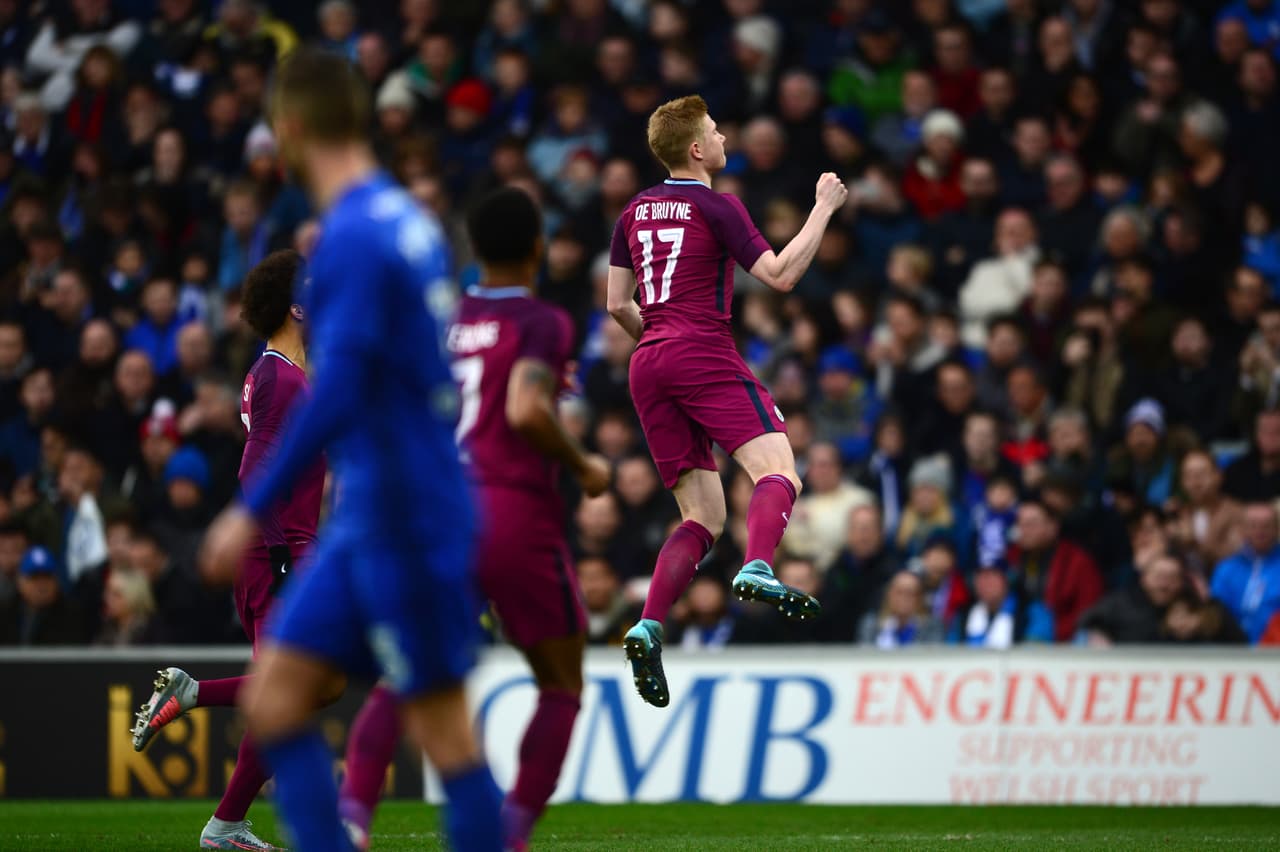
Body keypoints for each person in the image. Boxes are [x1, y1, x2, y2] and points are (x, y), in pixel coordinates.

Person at [200, 50, 503, 851]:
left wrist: (248, 512)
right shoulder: (407, 222)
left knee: (444, 733)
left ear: (290, 130)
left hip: (403, 510)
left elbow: (342, 385)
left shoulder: (350, 237)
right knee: (278, 699)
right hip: (380, 506)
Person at [605, 94, 847, 707]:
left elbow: (615, 304)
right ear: (695, 149)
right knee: (779, 470)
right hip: (700, 349)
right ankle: (760, 564)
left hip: (647, 361)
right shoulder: (717, 206)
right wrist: (822, 209)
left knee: (703, 517)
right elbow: (781, 275)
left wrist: (657, 344)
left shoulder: (632, 212)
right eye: (714, 132)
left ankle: (650, 622)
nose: (723, 139)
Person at [131, 250, 324, 851]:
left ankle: (196, 707)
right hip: (275, 551)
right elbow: (252, 471)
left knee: (318, 683)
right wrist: (277, 554)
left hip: (291, 547)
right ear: (295, 304)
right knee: (291, 689)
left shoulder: (288, 371)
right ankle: (227, 824)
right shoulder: (275, 375)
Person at [442, 187, 611, 850]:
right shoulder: (543, 321)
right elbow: (524, 411)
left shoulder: (442, 318)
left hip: (438, 506)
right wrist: (583, 464)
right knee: (562, 682)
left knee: (415, 675)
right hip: (510, 505)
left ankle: (353, 816)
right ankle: (509, 837)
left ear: (475, 249)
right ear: (537, 248)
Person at [1211, 502, 1280, 644]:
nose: (1260, 531)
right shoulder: (1226, 568)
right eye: (1253, 525)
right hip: (1232, 651)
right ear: (1242, 529)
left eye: (1266, 526)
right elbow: (1216, 612)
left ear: (1277, 529)